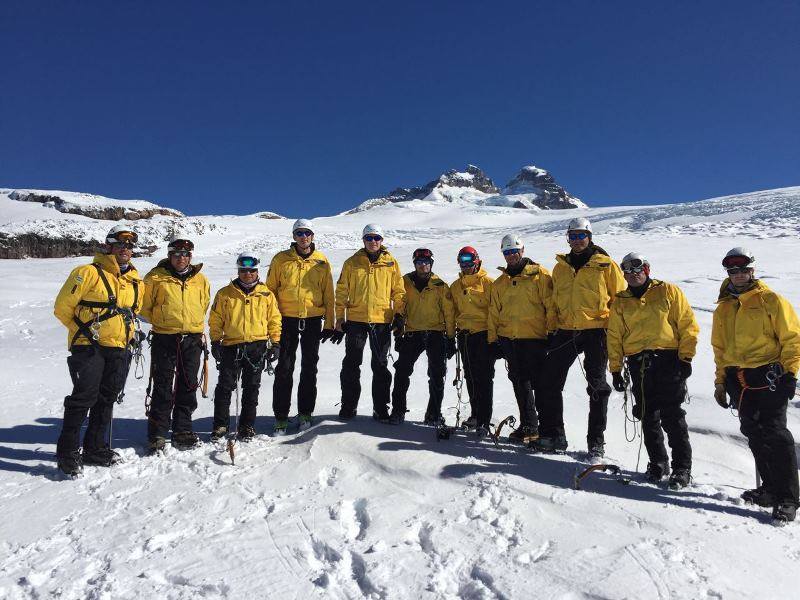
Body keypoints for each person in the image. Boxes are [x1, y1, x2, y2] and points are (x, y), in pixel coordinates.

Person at [711, 247, 800, 522]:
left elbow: (792, 338)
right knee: (753, 431)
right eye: (732, 271)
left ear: (752, 270)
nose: (738, 275)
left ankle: (788, 497)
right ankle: (770, 489)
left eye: (743, 269)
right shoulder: (724, 308)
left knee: (775, 432)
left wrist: (790, 373)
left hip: (770, 376)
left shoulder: (770, 300)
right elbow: (720, 347)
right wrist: (720, 381)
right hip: (739, 378)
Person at [53, 225, 144, 475]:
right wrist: (81, 332)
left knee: (106, 399)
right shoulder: (87, 273)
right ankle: (68, 451)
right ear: (108, 246)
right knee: (83, 397)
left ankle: (95, 448)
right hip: (89, 347)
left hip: (119, 347)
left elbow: (134, 312)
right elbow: (62, 307)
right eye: (121, 244)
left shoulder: (135, 281)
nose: (126, 249)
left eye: (130, 245)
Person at [534, 217, 626, 457]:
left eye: (580, 235)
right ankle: (555, 435)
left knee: (597, 386)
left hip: (598, 329)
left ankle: (596, 442)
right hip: (566, 329)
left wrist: (617, 333)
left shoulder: (606, 265)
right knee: (548, 381)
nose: (576, 241)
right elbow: (554, 303)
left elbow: (620, 301)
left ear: (589, 236)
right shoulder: (560, 267)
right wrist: (552, 329)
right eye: (572, 236)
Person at [607, 253, 698, 486]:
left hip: (668, 360)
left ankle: (682, 468)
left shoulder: (668, 291)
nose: (632, 274)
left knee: (672, 416)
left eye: (637, 269)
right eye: (627, 271)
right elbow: (615, 337)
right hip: (639, 364)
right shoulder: (620, 301)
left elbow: (687, 325)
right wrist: (616, 369)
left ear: (646, 269)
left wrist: (685, 358)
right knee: (648, 416)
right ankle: (658, 462)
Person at [140, 237, 211, 453]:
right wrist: (163, 320)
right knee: (162, 385)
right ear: (170, 255)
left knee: (188, 384)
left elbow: (204, 303)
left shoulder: (200, 279)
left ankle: (183, 429)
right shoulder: (155, 277)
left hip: (192, 337)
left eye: (186, 254)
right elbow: (144, 308)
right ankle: (158, 431)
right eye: (178, 254)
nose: (182, 258)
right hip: (165, 337)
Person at [267, 219, 335, 433]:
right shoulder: (281, 259)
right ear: (294, 237)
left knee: (309, 368)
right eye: (299, 233)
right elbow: (270, 293)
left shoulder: (321, 261)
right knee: (284, 368)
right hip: (286, 319)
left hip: (313, 320)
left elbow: (329, 294)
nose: (303, 237)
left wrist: (331, 323)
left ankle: (305, 412)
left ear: (312, 236)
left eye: (307, 233)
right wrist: (270, 324)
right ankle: (281, 417)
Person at [334, 224, 406, 421]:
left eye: (376, 238)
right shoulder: (351, 263)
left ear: (382, 240)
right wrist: (340, 318)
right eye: (369, 238)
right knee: (351, 364)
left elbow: (398, 291)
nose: (373, 242)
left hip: (381, 321)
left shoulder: (391, 263)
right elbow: (341, 292)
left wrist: (399, 314)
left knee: (381, 365)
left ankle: (380, 408)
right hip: (356, 320)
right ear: (363, 240)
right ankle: (349, 406)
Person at [488, 234, 554, 444]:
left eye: (514, 251)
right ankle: (529, 426)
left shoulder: (540, 275)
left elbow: (551, 307)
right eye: (506, 252)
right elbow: (494, 313)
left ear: (522, 251)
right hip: (510, 339)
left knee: (541, 386)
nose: (511, 256)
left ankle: (547, 431)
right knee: (520, 384)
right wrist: (494, 340)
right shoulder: (500, 283)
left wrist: (552, 333)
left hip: (535, 338)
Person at [209, 252, 281, 441]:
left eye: (251, 270)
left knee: (251, 388)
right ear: (238, 271)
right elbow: (215, 319)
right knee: (225, 387)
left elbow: (274, 320)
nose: (247, 274)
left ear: (257, 271)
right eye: (243, 270)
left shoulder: (266, 295)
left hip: (256, 346)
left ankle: (247, 426)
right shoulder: (225, 293)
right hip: (231, 345)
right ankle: (221, 425)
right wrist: (215, 341)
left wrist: (275, 343)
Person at [389, 248, 456, 425]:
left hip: (436, 334)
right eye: (419, 263)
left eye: (426, 262)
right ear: (415, 264)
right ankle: (398, 411)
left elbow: (449, 313)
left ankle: (433, 413)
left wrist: (450, 338)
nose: (423, 266)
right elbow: (400, 306)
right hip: (412, 333)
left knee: (437, 374)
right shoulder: (405, 282)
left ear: (431, 263)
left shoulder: (440, 285)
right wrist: (398, 333)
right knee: (402, 372)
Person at [450, 246, 497, 437]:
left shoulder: (489, 284)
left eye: (469, 261)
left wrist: (495, 338)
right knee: (470, 377)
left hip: (484, 335)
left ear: (477, 261)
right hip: (464, 336)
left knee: (484, 378)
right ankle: (476, 415)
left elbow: (495, 312)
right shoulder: (455, 287)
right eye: (463, 261)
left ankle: (485, 420)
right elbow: (452, 313)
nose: (466, 265)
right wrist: (450, 335)